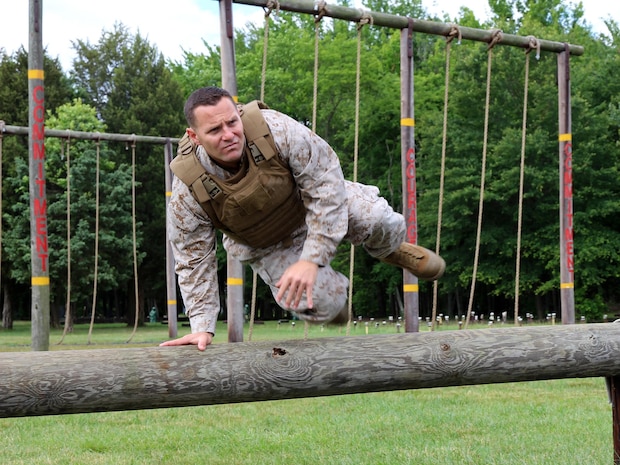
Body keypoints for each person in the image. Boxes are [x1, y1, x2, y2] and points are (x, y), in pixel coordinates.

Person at [160, 86, 445, 351]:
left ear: (238, 114)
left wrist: (312, 258)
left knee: (384, 221)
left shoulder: (276, 129)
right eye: (214, 130)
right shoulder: (189, 188)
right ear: (195, 136)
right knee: (322, 302)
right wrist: (201, 326)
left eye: (232, 122)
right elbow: (192, 258)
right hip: (269, 245)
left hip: (311, 206)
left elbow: (326, 183)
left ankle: (391, 251)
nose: (229, 134)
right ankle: (332, 300)